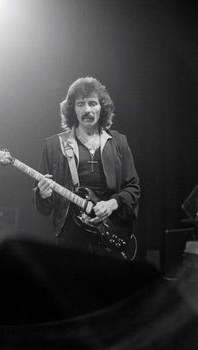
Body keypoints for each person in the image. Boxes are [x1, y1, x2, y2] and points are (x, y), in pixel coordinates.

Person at [33, 77, 140, 258]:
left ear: (102, 108)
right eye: (80, 104)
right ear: (73, 110)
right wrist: (42, 194)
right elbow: (44, 208)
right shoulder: (53, 145)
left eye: (93, 103)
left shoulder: (119, 142)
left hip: (108, 234)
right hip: (70, 239)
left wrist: (112, 204)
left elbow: (133, 187)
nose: (87, 110)